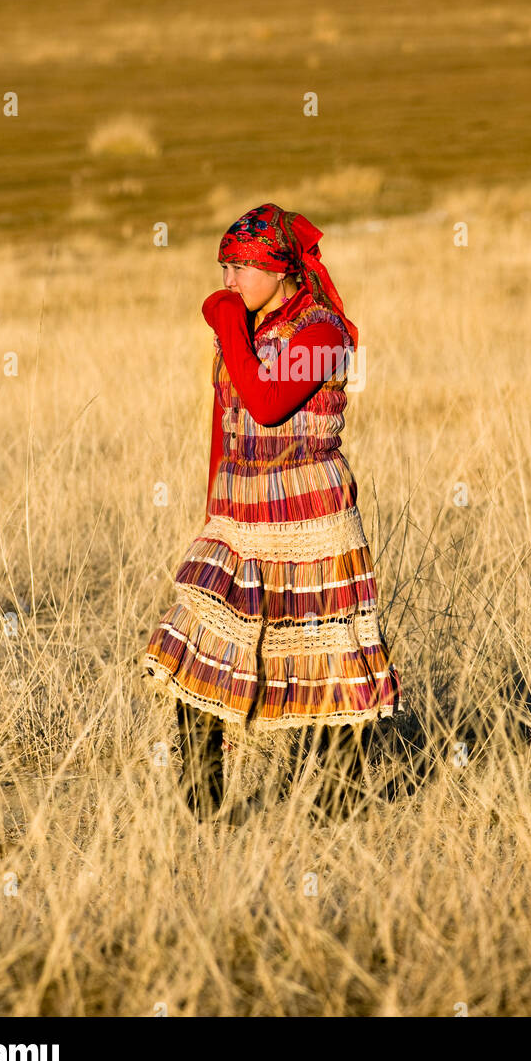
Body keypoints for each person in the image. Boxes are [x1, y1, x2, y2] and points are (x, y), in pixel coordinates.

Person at [141, 201, 403, 818]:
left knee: (328, 661)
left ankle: (338, 810)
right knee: (198, 644)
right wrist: (213, 507)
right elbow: (225, 424)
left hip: (309, 514)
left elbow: (264, 402)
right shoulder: (246, 324)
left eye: (239, 269)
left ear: (279, 268)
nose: (227, 283)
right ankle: (202, 809)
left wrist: (225, 317)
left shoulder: (324, 333)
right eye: (222, 269)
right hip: (239, 513)